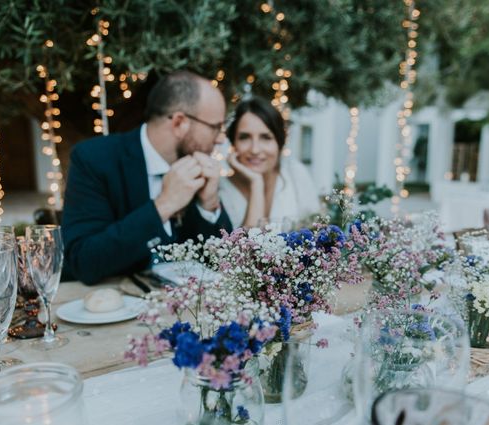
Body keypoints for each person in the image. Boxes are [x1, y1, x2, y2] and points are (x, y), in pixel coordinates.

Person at [62, 70, 232, 285]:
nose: (220, 138)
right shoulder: (94, 160)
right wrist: (163, 205)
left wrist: (209, 205)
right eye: (215, 127)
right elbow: (84, 261)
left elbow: (225, 264)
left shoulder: (198, 167)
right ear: (179, 122)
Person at [219, 97, 320, 229]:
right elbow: (246, 248)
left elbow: (317, 233)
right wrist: (256, 183)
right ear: (233, 143)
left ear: (279, 142)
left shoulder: (295, 174)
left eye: (265, 138)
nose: (255, 149)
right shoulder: (221, 190)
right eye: (244, 137)